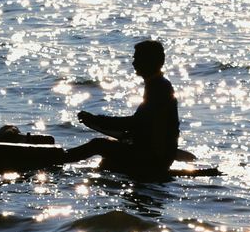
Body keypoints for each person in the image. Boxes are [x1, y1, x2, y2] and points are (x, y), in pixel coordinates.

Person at [61, 40, 180, 177]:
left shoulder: (160, 88)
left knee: (98, 144)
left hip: (154, 158)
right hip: (151, 152)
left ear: (149, 61)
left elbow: (135, 123)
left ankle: (56, 160)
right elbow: (142, 126)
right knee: (106, 160)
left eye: (137, 59)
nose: (133, 63)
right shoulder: (156, 85)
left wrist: (97, 120)